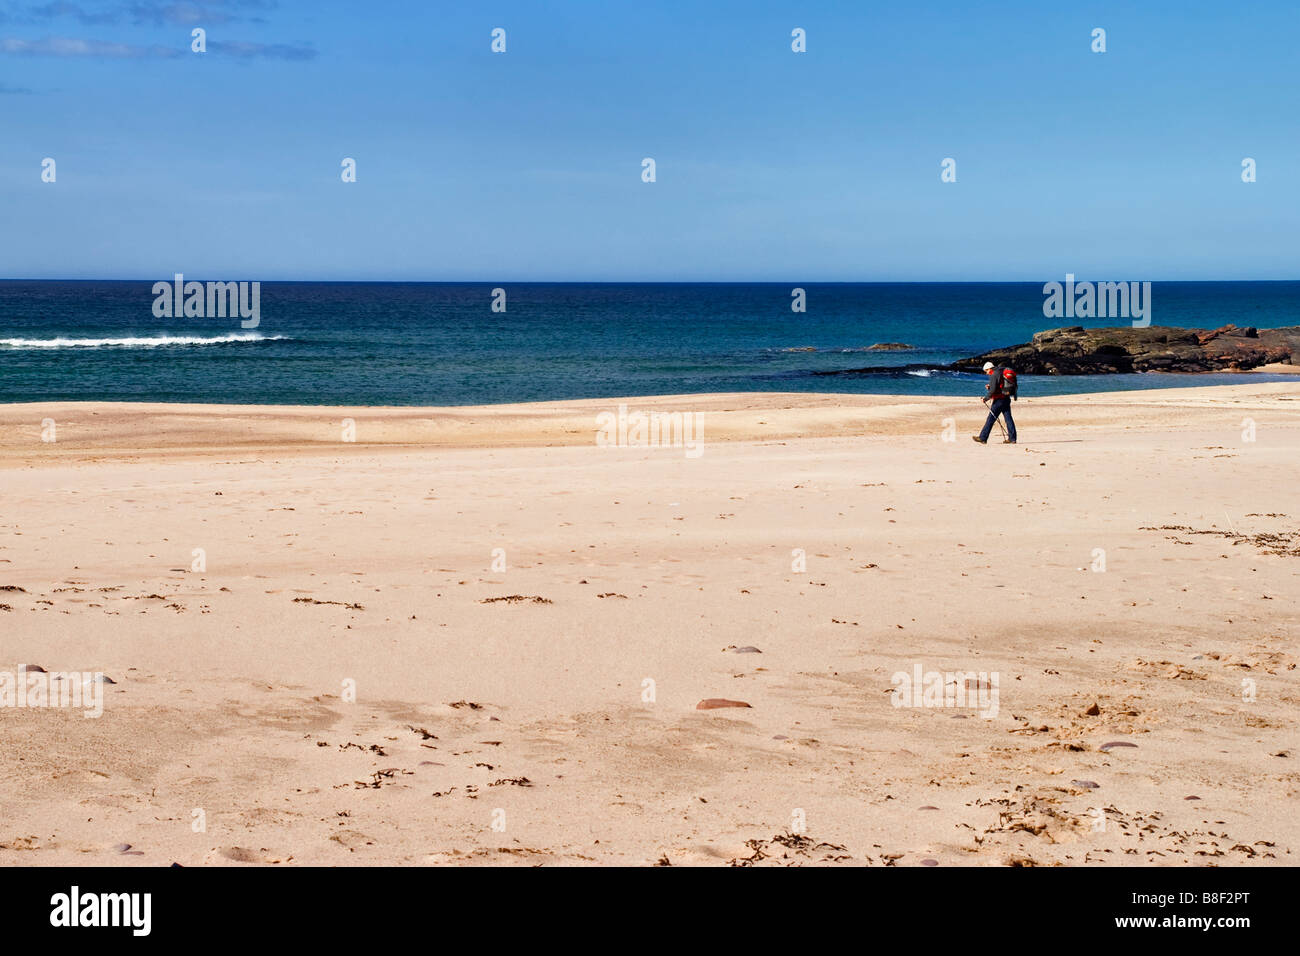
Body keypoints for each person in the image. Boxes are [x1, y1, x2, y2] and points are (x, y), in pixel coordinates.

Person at [972, 361, 1017, 444]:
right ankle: (1012, 438)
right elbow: (999, 386)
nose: (986, 373)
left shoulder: (994, 374)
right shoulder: (1001, 371)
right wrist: (990, 387)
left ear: (989, 369)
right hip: (1006, 398)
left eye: (986, 371)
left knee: (990, 419)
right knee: (1008, 419)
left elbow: (993, 390)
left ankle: (983, 438)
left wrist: (985, 399)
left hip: (999, 400)